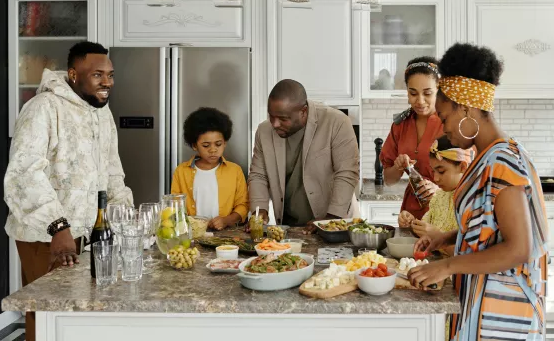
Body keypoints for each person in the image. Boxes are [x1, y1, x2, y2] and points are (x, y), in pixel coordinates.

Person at [408, 43, 548, 340]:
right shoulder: (488, 157)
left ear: (467, 109)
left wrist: (447, 265)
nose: (442, 128)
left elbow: (519, 248)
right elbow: (488, 229)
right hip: (483, 300)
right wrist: (446, 238)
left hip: (504, 315)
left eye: (444, 117)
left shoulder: (502, 162)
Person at [4, 41, 133, 341]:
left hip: (90, 233)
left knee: (81, 320)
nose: (107, 83)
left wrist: (126, 217)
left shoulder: (101, 113)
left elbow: (112, 170)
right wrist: (58, 227)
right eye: (98, 75)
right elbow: (23, 173)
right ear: (74, 75)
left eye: (111, 75)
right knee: (49, 316)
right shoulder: (42, 108)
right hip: (46, 235)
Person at [248, 79, 359, 232]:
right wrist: (259, 212)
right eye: (271, 116)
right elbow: (258, 175)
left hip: (336, 223)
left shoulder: (337, 122)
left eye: (283, 119)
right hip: (291, 226)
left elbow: (347, 173)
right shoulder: (264, 131)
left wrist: (330, 220)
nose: (275, 124)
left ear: (303, 111)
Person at [379, 57, 444, 224]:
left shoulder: (450, 124)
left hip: (445, 211)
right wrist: (398, 167)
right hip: (411, 214)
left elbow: (467, 177)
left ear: (439, 89)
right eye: (413, 93)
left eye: (428, 93)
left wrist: (439, 191)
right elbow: (389, 179)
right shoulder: (400, 125)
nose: (420, 101)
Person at [171, 107, 249, 230]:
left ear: (225, 143)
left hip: (226, 235)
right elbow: (174, 207)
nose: (213, 150)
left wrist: (226, 220)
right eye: (206, 145)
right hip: (192, 235)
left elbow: (243, 205)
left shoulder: (235, 171)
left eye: (218, 144)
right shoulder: (181, 171)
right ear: (194, 145)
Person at [400, 136, 475, 255]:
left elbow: (473, 255)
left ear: (463, 167)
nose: (435, 178)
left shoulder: (474, 201)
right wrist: (412, 223)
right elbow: (426, 232)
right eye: (433, 171)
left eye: (441, 171)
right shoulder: (439, 197)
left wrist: (439, 237)